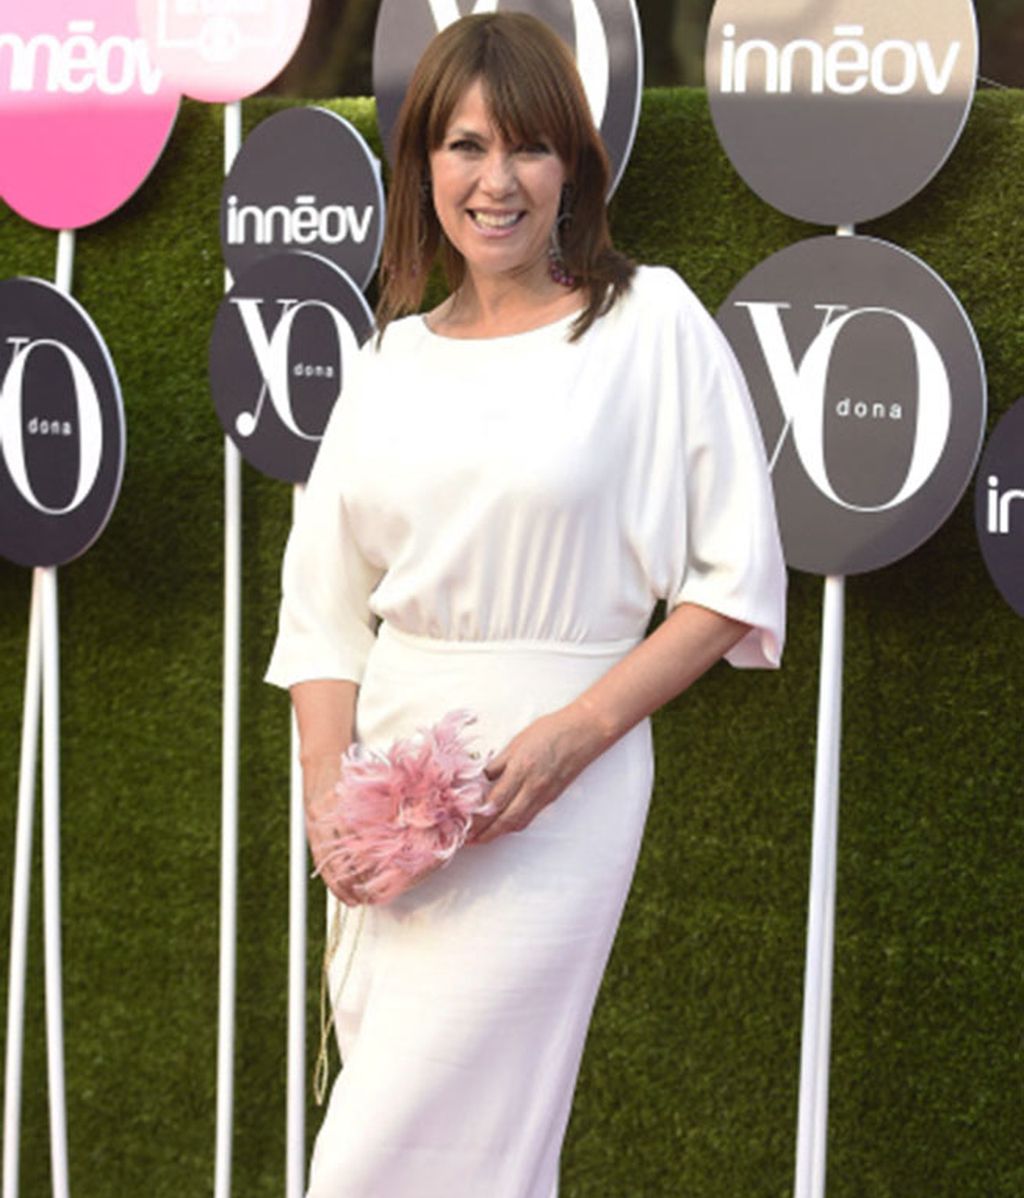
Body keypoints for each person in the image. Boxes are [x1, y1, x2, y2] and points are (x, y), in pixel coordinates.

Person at [265, 12, 786, 1198]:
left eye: (529, 149)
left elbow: (729, 580)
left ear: (574, 169)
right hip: (390, 799)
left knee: (381, 1153)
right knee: (451, 1142)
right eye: (463, 146)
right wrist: (326, 802)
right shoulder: (388, 360)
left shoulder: (648, 325)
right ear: (422, 168)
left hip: (560, 792)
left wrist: (576, 735)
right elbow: (324, 608)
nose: (495, 182)